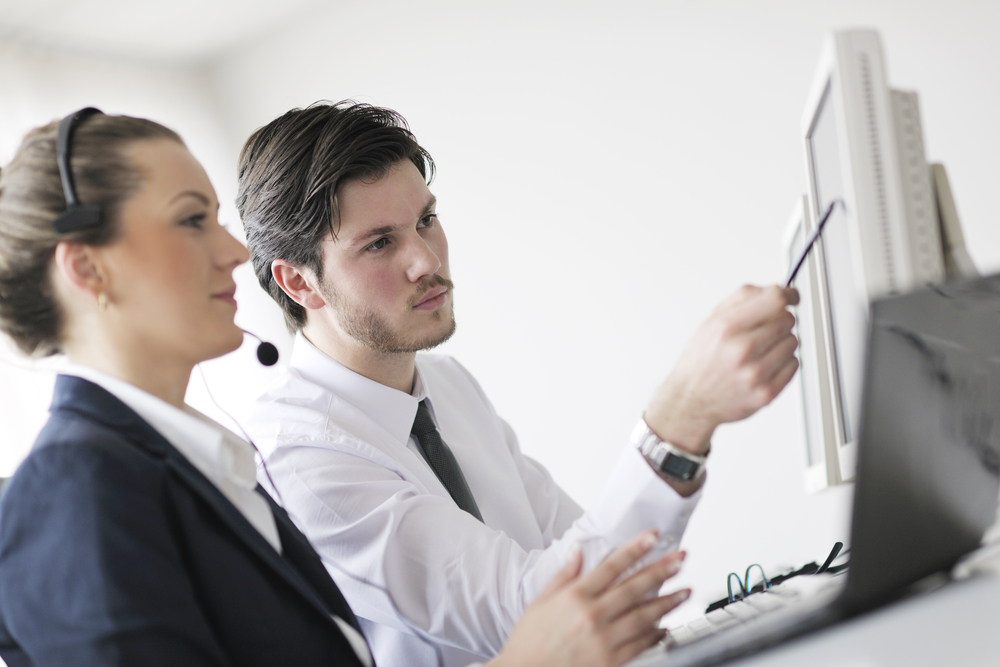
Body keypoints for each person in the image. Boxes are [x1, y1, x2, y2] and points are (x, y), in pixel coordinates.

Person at [0, 108, 691, 667]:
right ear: (87, 269)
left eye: (425, 220)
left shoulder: (196, 468)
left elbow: (584, 562)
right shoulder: (79, 488)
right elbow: (534, 604)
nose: (236, 252)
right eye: (191, 219)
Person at [236, 101, 800, 667]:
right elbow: (538, 616)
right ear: (299, 282)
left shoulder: (447, 386)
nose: (426, 260)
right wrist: (680, 417)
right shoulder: (300, 457)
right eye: (380, 242)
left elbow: (588, 555)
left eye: (426, 220)